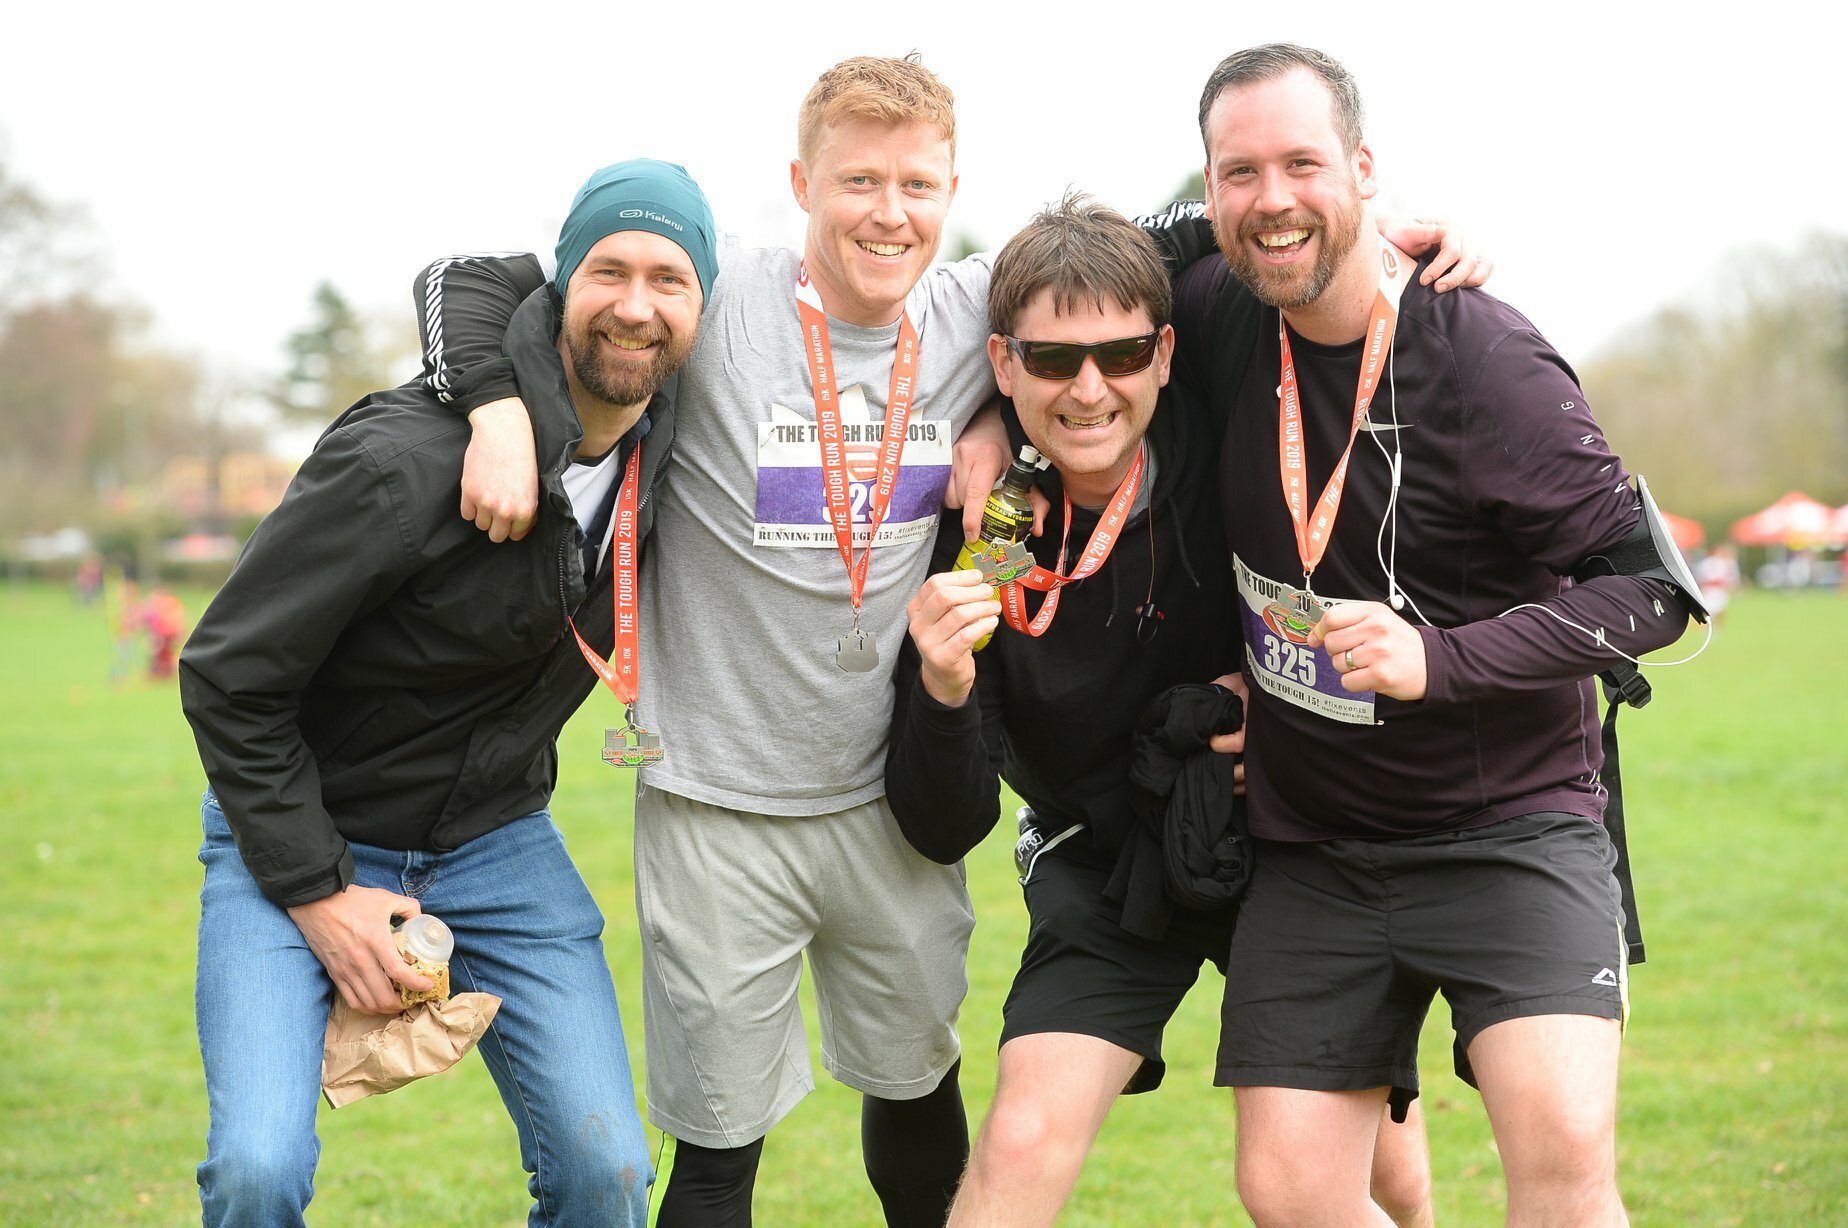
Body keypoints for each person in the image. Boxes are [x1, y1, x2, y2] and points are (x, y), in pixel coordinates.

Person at [415, 56, 1486, 1225]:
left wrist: (1382, 225)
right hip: (716, 796)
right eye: (858, 181)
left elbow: (1162, 239)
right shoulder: (708, 301)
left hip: (888, 806)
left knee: (918, 1092)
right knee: (718, 1145)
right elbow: (469, 280)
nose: (889, 212)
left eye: (917, 185)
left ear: (951, 188)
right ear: (800, 183)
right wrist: (494, 410)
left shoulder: (974, 303)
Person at [1171, 45, 1694, 1225]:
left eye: (1303, 164)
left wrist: (1441, 659)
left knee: (1561, 1164)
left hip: (1510, 822)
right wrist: (1001, 439)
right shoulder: (1211, 310)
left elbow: (1653, 589)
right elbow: (1083, 274)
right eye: (1237, 173)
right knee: (1290, 1191)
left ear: (1364, 168)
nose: (1271, 200)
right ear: (1207, 193)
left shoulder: (1481, 352)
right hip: (1313, 845)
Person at [176, 158, 718, 1227]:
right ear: (559, 284)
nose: (638, 306)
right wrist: (321, 893)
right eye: (609, 271)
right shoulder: (399, 463)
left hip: (496, 838)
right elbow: (227, 675)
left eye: (672, 279)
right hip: (299, 830)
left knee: (607, 1172)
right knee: (257, 1168)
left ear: (705, 305)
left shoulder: (683, 441)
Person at [887, 194, 1435, 1228]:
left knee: (1373, 1176)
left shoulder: (1217, 409)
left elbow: (1229, 218)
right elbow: (941, 821)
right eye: (1050, 363)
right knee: (1017, 1141)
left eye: (1121, 353)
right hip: (1109, 860)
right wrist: (943, 689)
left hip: (1291, 839)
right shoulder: (986, 527)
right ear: (1002, 364)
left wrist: (1399, 228)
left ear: (1166, 352)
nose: (1090, 389)